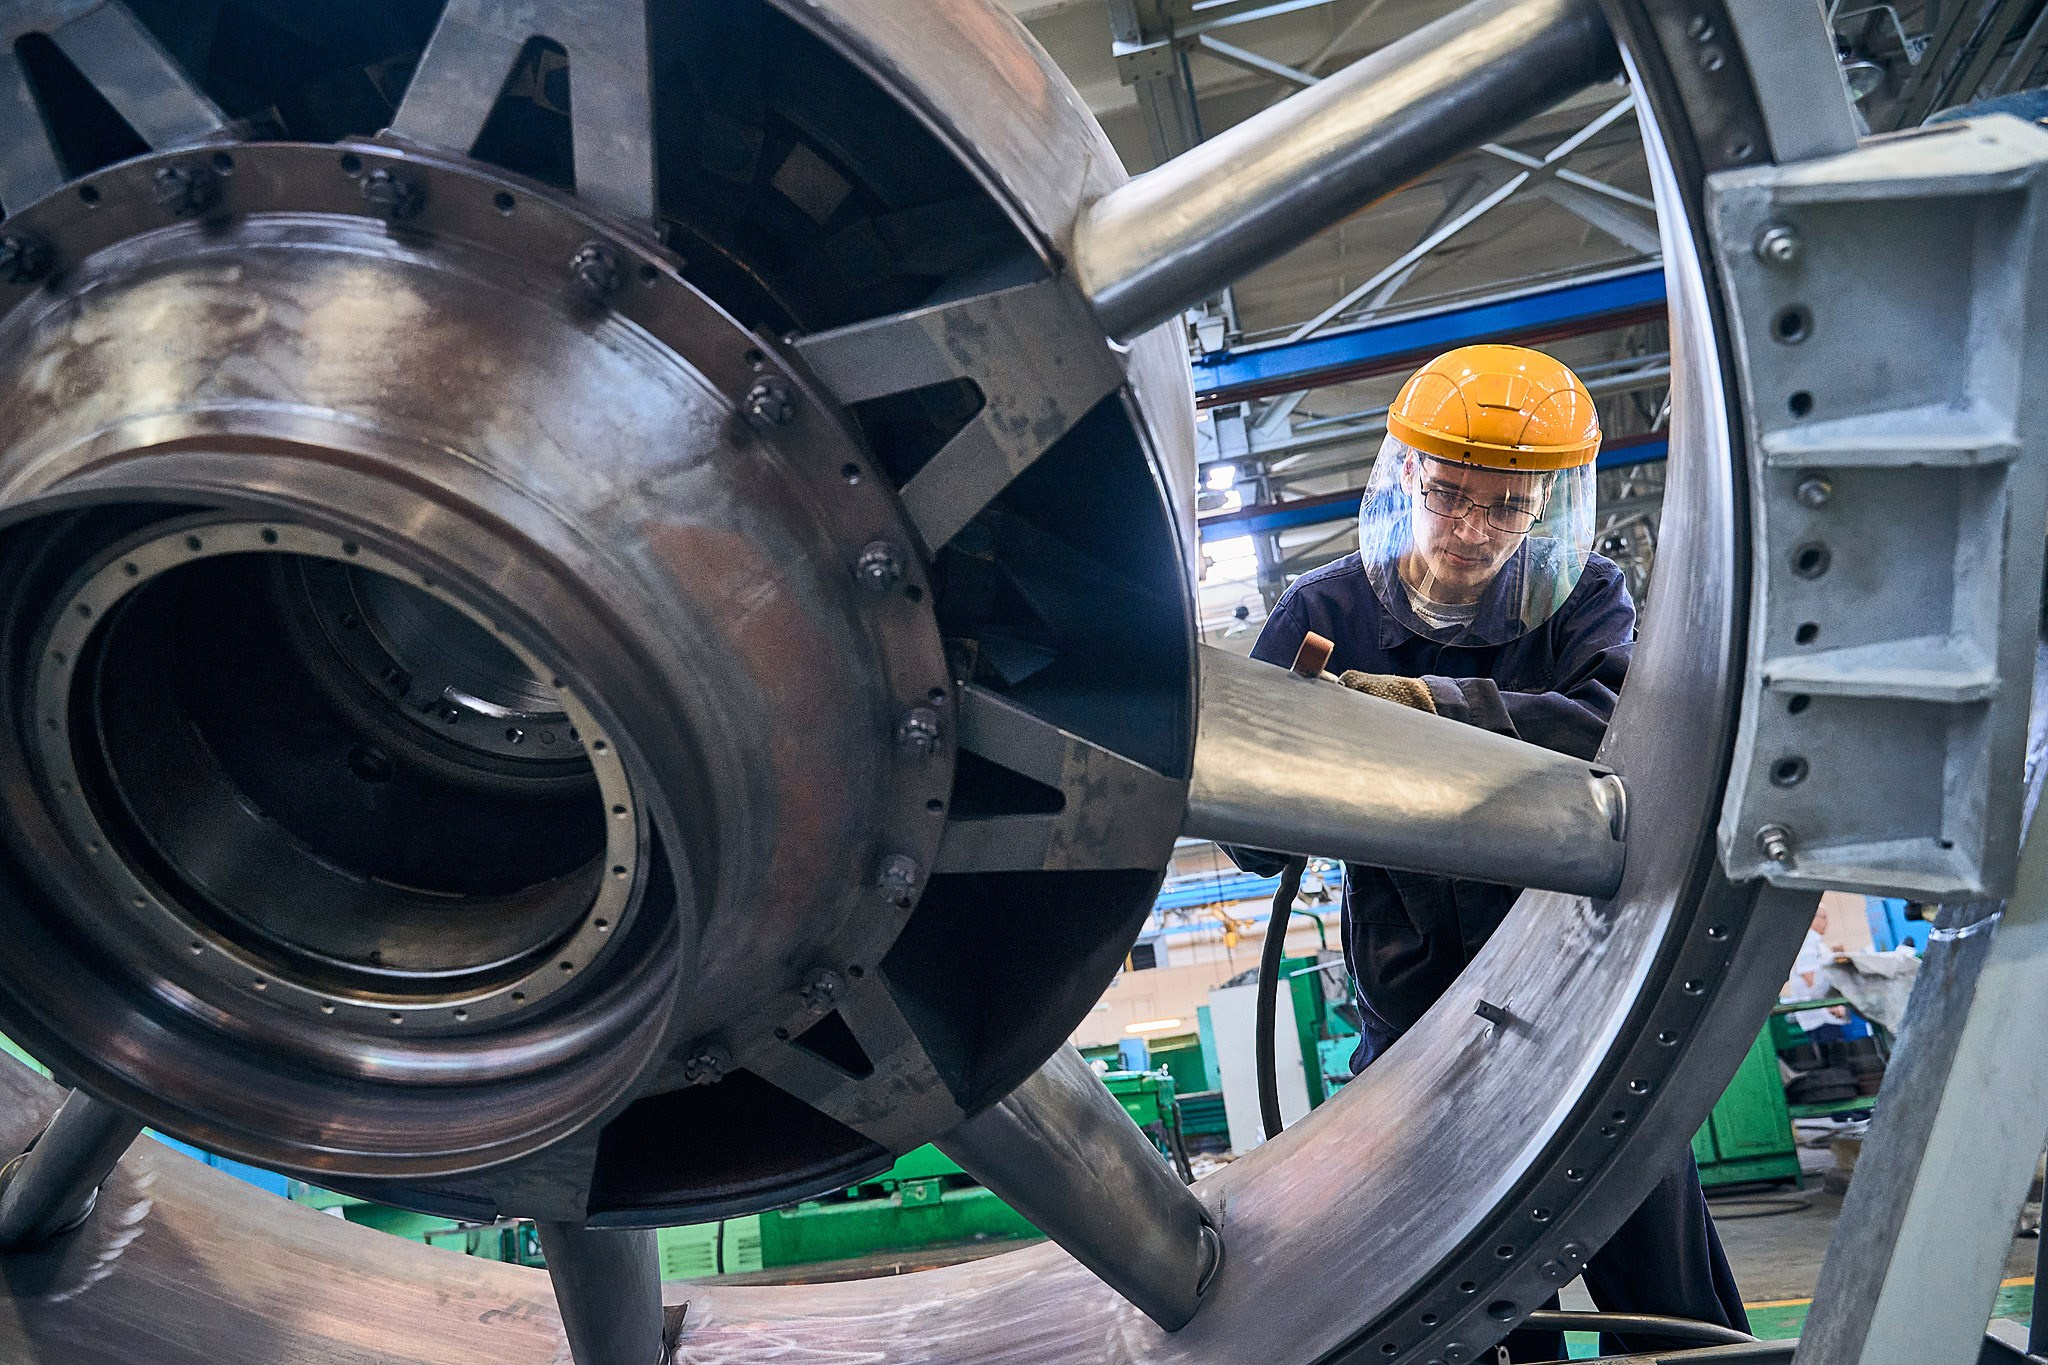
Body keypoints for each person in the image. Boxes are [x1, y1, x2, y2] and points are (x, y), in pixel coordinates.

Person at [1231, 344, 1748, 1361]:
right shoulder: (1323, 614)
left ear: (1546, 508)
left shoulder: (1581, 600)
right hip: (1415, 1016)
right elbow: (1249, 846)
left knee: (1666, 1291)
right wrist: (1278, 751)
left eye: (1505, 508)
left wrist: (1410, 711)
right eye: (1448, 494)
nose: (1470, 529)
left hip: (1580, 1000)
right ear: (1404, 479)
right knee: (1460, 1302)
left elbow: (1610, 734)